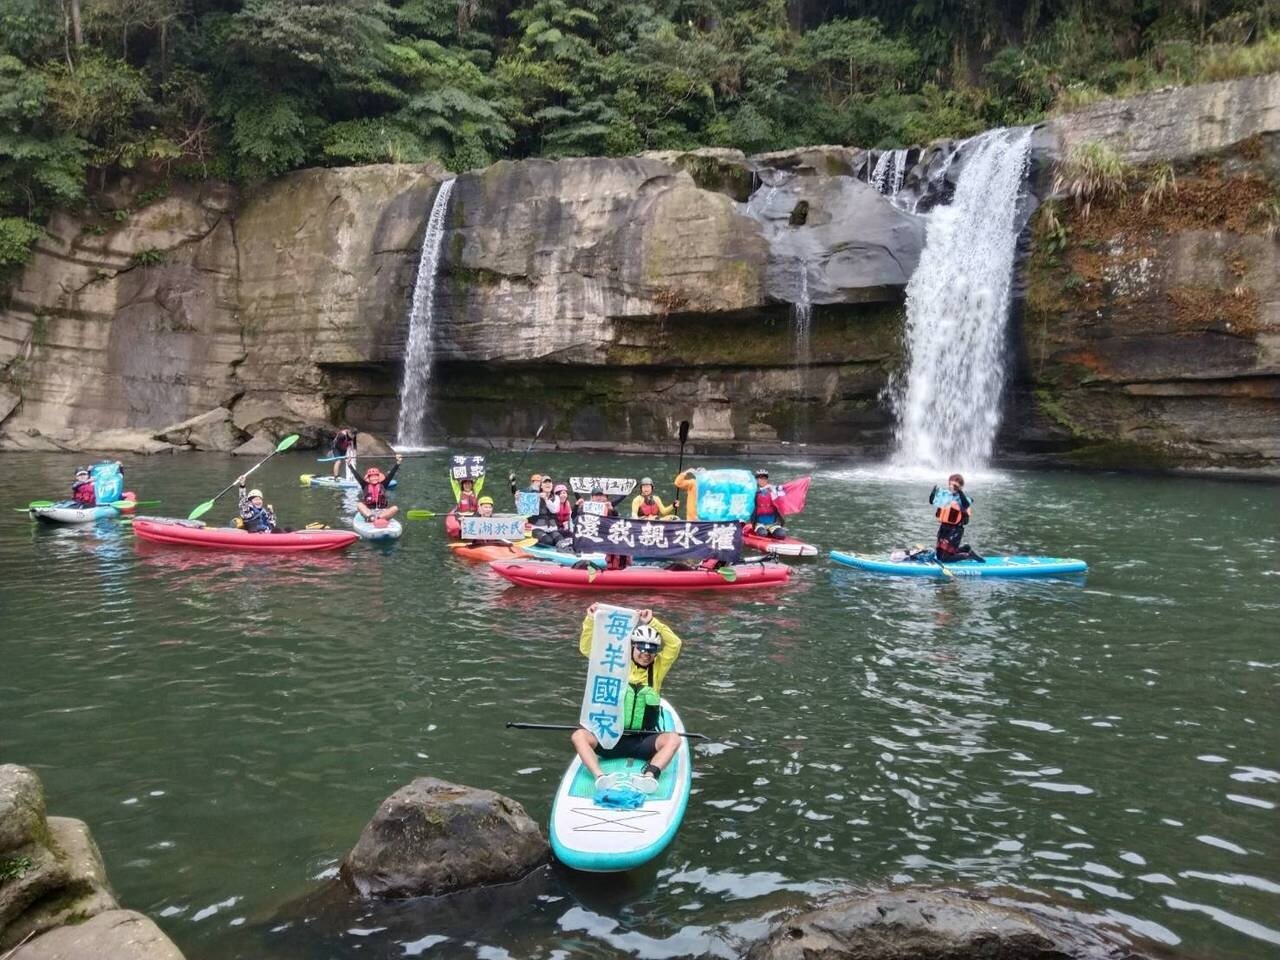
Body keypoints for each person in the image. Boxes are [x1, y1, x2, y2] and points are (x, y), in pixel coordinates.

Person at [571, 605, 683, 795]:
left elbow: (675, 644)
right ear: (632, 646)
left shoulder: (657, 669)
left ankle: (649, 777)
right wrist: (590, 621)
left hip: (643, 740)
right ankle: (600, 777)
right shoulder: (613, 663)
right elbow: (588, 648)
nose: (646, 654)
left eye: (651, 650)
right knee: (578, 736)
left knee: (673, 739)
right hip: (610, 737)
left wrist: (652, 622)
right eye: (641, 648)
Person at [929, 473, 983, 562]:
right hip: (944, 528)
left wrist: (960, 491)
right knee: (939, 556)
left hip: (955, 530)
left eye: (954, 485)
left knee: (944, 559)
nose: (951, 487)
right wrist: (933, 494)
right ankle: (965, 548)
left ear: (960, 487)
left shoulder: (963, 498)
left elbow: (966, 505)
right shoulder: (946, 496)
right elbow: (932, 502)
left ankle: (968, 555)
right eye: (950, 484)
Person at [350, 454, 403, 519]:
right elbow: (357, 476)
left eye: (376, 476)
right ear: (369, 478)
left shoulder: (383, 484)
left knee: (395, 508)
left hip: (382, 511)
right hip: (369, 511)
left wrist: (398, 463)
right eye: (372, 477)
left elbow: (392, 474)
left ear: (378, 477)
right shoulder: (365, 485)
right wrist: (349, 464)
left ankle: (379, 518)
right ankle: (370, 517)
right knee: (359, 505)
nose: (374, 478)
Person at [748, 468, 788, 539]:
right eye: (760, 478)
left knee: (781, 535)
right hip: (759, 524)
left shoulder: (773, 491)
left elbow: (782, 499)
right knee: (763, 533)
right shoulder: (753, 491)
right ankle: (763, 532)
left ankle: (772, 531)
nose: (762, 480)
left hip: (773, 524)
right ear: (756, 480)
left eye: (764, 478)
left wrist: (774, 490)